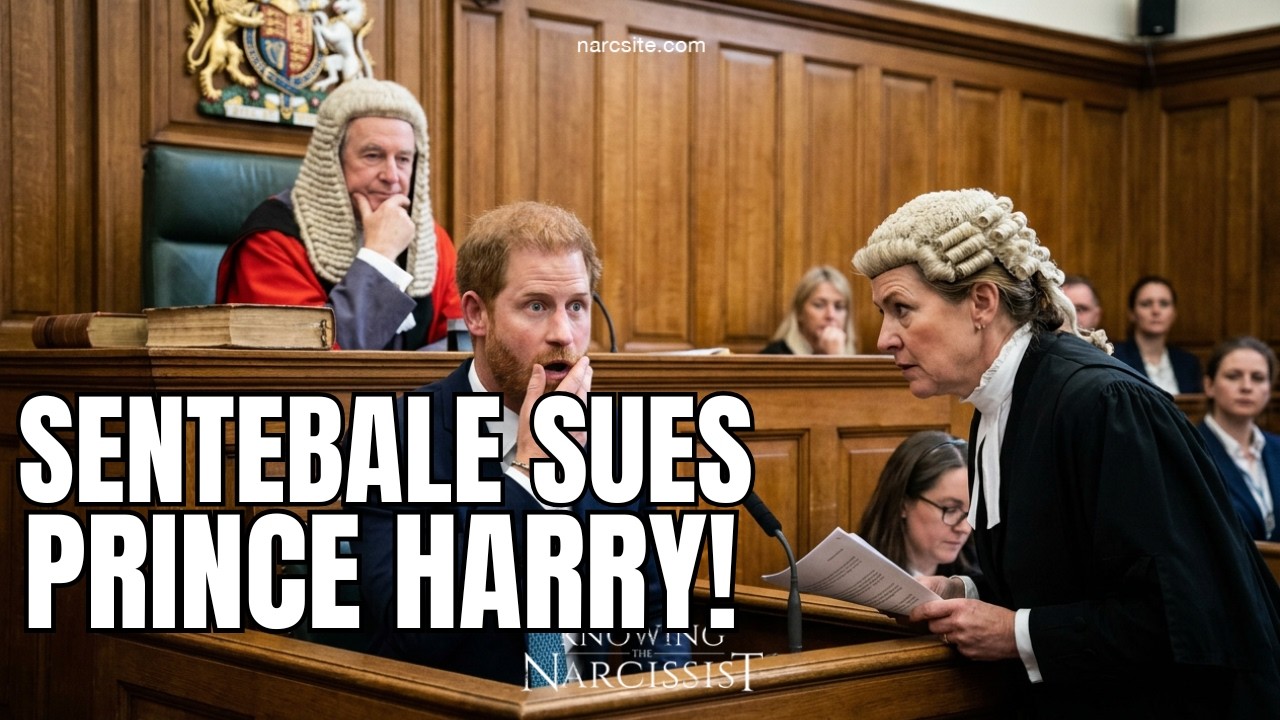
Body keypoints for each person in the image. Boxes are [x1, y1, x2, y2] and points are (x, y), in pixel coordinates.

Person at [852, 189, 1280, 716]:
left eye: (902, 310)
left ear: (982, 302)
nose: (884, 338)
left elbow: (1189, 614)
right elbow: (1063, 578)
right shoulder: (996, 405)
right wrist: (965, 591)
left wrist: (1017, 633)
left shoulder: (1103, 403)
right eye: (883, 313)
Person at [348, 201, 686, 686]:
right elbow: (416, 632)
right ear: (476, 314)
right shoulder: (397, 437)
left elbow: (658, 611)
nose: (563, 335)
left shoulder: (613, 440)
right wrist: (525, 477)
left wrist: (661, 701)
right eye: (536, 306)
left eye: (577, 306)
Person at [216, 78, 461, 349]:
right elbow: (312, 361)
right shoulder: (271, 243)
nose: (392, 176)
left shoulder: (433, 243)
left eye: (403, 159)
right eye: (372, 155)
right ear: (332, 160)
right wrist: (380, 255)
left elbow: (460, 346)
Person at [857, 430, 975, 577]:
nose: (965, 528)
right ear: (903, 504)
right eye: (950, 509)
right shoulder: (853, 572)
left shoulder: (982, 578)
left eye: (972, 512)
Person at [1198, 336, 1280, 542]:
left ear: (1269, 389)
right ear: (1209, 385)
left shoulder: (1277, 448)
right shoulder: (1190, 448)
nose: (1246, 386)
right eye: (1233, 376)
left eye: (1258, 378)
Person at [1110, 275, 1201, 394]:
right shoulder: (1115, 359)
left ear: (1174, 313)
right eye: (1146, 304)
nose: (1156, 311)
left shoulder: (1188, 363)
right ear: (1132, 313)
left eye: (1164, 304)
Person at [760, 265, 857, 354]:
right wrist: (833, 359)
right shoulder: (774, 356)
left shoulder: (854, 356)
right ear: (799, 312)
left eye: (839, 307)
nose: (831, 315)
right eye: (819, 305)